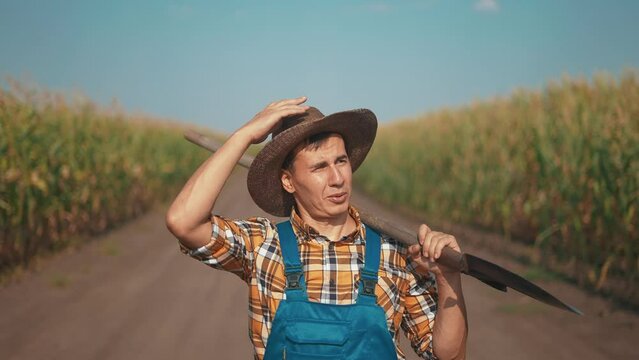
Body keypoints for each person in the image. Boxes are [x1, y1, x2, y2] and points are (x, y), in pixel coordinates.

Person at [165, 96, 468, 359]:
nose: (337, 178)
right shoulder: (262, 245)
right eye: (319, 167)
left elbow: (447, 356)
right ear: (288, 181)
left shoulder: (396, 252)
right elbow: (184, 221)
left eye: (341, 161)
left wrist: (447, 278)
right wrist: (244, 135)